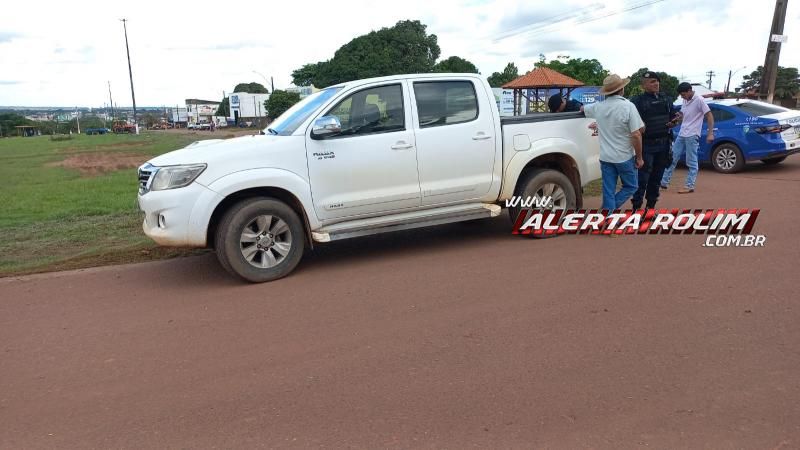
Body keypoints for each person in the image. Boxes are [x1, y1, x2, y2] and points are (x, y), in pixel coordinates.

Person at [582, 74, 644, 212]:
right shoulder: (628, 106)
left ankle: (606, 213)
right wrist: (639, 157)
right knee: (631, 186)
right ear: (621, 89)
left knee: (608, 190)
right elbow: (636, 134)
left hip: (605, 157)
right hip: (624, 157)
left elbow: (582, 109)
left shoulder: (598, 107)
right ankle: (607, 211)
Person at [629, 71, 680, 209]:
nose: (656, 83)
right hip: (646, 145)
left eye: (657, 81)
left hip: (663, 144)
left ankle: (650, 209)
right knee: (642, 179)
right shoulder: (637, 101)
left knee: (656, 179)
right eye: (652, 81)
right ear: (644, 85)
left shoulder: (667, 99)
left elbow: (673, 116)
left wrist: (674, 121)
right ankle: (636, 209)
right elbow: (630, 120)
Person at [661, 82, 715, 193]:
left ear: (690, 91)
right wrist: (674, 121)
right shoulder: (685, 100)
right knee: (672, 158)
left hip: (692, 134)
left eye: (683, 94)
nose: (682, 96)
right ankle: (663, 182)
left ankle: (689, 185)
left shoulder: (699, 100)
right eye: (681, 95)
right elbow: (682, 115)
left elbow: (709, 115)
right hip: (682, 133)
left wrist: (710, 133)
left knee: (691, 161)